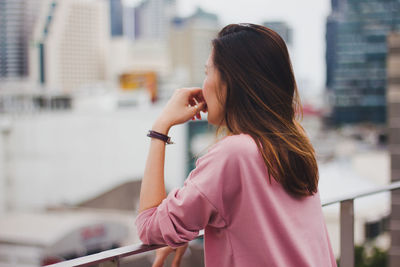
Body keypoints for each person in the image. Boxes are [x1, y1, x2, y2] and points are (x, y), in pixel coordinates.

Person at [135, 23, 336, 267]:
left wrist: (161, 127)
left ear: (230, 82)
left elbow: (148, 226)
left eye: (208, 73)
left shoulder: (234, 153)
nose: (202, 85)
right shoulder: (294, 143)